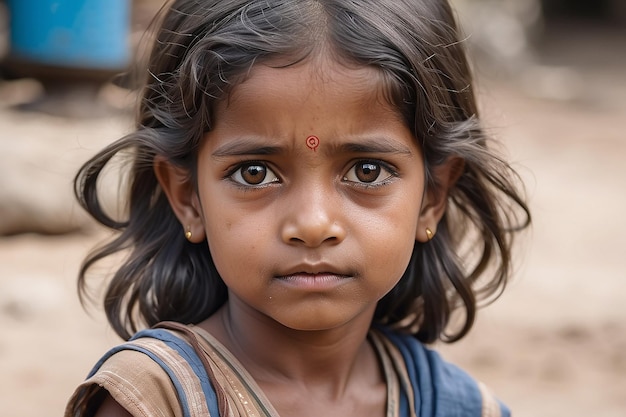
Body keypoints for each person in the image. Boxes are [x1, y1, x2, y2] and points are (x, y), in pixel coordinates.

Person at [65, 0, 531, 416]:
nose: (312, 224)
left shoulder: (459, 406)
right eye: (255, 173)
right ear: (188, 197)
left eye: (367, 171)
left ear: (432, 197)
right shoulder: (154, 400)